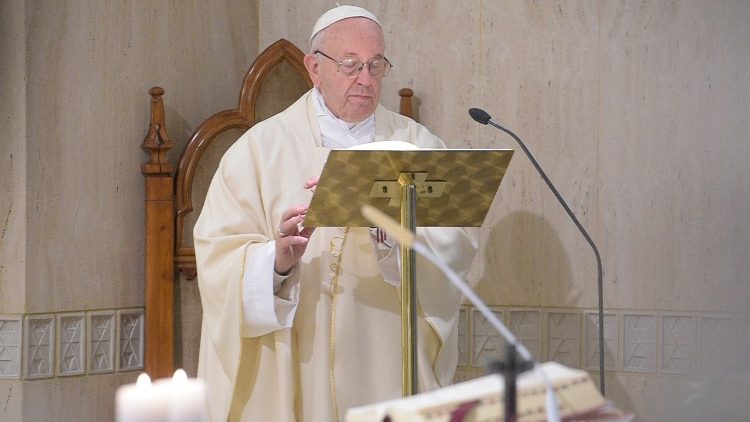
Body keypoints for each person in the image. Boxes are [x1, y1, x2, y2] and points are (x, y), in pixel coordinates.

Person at [194, 5, 478, 421]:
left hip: (385, 360)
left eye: (375, 65)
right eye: (350, 65)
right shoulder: (257, 151)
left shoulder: (418, 147)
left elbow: (456, 247)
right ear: (314, 67)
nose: (365, 79)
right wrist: (275, 263)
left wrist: (393, 235)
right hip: (296, 364)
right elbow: (217, 260)